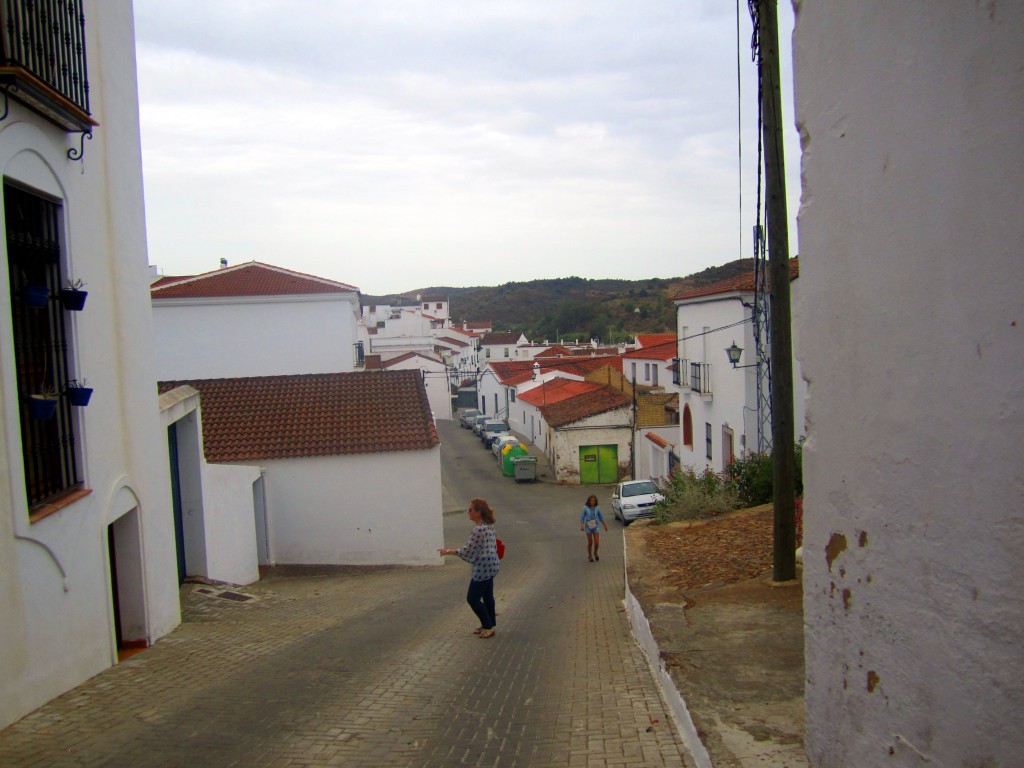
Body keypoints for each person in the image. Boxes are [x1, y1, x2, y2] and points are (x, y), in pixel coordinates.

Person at [439, 497, 500, 638]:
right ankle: (490, 623)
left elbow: (468, 551)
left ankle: (488, 626)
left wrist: (448, 551)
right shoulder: (489, 526)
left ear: (478, 512)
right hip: (492, 566)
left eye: (470, 510)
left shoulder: (478, 530)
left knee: (472, 598)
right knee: (487, 596)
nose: (468, 513)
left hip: (482, 569)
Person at [580, 494, 608, 562]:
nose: (592, 502)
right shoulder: (585, 508)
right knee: (590, 543)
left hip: (596, 526)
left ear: (596, 501)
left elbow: (601, 516)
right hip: (588, 527)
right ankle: (590, 556)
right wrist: (582, 525)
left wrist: (604, 525)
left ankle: (595, 552)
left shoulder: (597, 507)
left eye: (594, 501)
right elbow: (582, 517)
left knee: (596, 543)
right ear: (589, 501)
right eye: (591, 501)